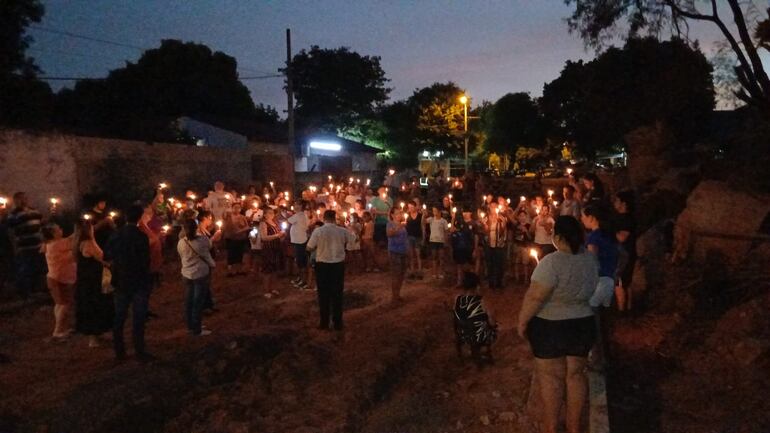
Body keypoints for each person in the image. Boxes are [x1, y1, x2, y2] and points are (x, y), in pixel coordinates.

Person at [517, 216, 598, 433]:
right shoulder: (590, 260)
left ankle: (551, 427)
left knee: (551, 377)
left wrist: (523, 322)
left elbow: (535, 297)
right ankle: (574, 427)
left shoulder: (551, 262)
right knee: (576, 374)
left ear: (559, 237)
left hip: (550, 327)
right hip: (582, 324)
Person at [105, 204, 153, 362]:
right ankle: (139, 351)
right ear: (139, 218)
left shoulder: (115, 235)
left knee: (119, 317)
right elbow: (146, 260)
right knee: (138, 318)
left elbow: (107, 256)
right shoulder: (141, 236)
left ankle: (120, 352)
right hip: (138, 280)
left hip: (121, 280)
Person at [306, 210, 356, 330]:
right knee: (337, 294)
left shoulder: (318, 231)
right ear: (335, 218)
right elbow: (353, 240)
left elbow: (309, 247)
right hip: (338, 265)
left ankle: (324, 323)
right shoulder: (342, 230)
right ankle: (338, 322)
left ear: (324, 218)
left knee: (323, 294)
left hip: (322, 265)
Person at [75, 220, 114, 348]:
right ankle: (94, 337)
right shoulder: (89, 243)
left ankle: (97, 333)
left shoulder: (77, 243)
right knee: (97, 305)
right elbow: (101, 257)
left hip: (84, 280)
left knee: (89, 305)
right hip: (93, 280)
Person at [178, 218, 216, 336]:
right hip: (200, 273)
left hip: (187, 274)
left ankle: (191, 325)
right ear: (197, 228)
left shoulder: (181, 242)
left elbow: (180, 254)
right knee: (198, 302)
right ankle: (197, 329)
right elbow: (209, 246)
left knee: (189, 300)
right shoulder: (203, 240)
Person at [6, 192, 45, 299]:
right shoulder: (13, 214)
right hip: (24, 247)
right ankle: (25, 293)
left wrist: (43, 241)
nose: (23, 200)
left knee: (37, 268)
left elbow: (41, 226)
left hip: (37, 245)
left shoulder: (35, 211)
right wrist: (15, 245)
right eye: (20, 199)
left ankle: (35, 290)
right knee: (25, 269)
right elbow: (10, 231)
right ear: (15, 201)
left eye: (24, 198)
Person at [41, 223, 77, 339]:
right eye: (58, 229)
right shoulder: (57, 244)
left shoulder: (51, 244)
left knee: (59, 304)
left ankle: (60, 328)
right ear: (53, 233)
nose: (61, 230)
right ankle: (57, 331)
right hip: (58, 279)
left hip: (55, 278)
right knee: (64, 304)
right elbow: (73, 240)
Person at [581, 204, 618, 309]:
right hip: (610, 278)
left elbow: (592, 261)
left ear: (591, 217)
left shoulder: (593, 237)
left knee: (592, 313)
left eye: (583, 216)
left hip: (599, 281)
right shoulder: (609, 234)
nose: (582, 219)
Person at [453, 271, 497, 348]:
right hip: (480, 337)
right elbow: (492, 321)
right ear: (477, 286)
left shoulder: (457, 299)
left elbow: (456, 315)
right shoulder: (482, 301)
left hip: (463, 335)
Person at [613, 191, 637, 311]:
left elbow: (622, 237)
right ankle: (628, 308)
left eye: (617, 201)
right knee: (626, 282)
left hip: (625, 254)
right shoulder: (621, 217)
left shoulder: (626, 219)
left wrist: (610, 232)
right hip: (626, 253)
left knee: (620, 283)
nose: (615, 203)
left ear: (624, 203)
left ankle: (622, 310)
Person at [259, 208, 286, 295]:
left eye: (272, 213)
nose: (271, 214)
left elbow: (280, 239)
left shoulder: (275, 223)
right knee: (267, 270)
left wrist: (282, 236)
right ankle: (266, 290)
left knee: (275, 270)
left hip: (276, 248)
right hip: (268, 249)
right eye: (269, 213)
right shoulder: (263, 223)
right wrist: (278, 235)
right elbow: (264, 237)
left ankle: (273, 288)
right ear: (265, 215)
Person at [484, 207, 512, 289]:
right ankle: (491, 283)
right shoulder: (487, 219)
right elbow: (485, 230)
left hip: (499, 245)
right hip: (489, 245)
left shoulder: (501, 219)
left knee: (499, 264)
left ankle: (499, 282)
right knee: (490, 264)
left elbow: (503, 229)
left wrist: (502, 221)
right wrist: (485, 225)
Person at [386, 207, 408, 304]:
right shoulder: (390, 224)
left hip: (403, 251)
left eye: (400, 213)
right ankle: (394, 296)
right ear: (392, 215)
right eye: (398, 213)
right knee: (396, 274)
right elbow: (389, 234)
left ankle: (398, 294)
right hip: (394, 252)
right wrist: (399, 227)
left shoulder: (402, 225)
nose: (400, 215)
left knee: (401, 274)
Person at [223, 202, 251, 277]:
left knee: (240, 254)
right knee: (231, 254)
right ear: (232, 208)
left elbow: (247, 227)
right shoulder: (228, 216)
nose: (237, 209)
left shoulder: (242, 217)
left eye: (238, 207)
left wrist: (240, 231)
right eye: (235, 207)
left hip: (240, 238)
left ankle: (239, 270)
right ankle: (231, 271)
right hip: (231, 238)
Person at [288, 201, 311, 289]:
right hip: (299, 241)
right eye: (294, 205)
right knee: (299, 261)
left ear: (301, 206)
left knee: (301, 262)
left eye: (297, 204)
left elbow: (288, 220)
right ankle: (300, 278)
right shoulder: (302, 215)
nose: (295, 206)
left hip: (300, 242)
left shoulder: (299, 215)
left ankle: (303, 280)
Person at [425, 206, 448, 279]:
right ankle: (434, 273)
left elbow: (446, 232)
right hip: (433, 241)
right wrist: (423, 215)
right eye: (433, 211)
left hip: (441, 241)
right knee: (434, 257)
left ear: (439, 212)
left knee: (441, 257)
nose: (434, 212)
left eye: (435, 211)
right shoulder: (431, 219)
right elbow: (423, 222)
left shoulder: (443, 221)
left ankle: (441, 273)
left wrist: (446, 241)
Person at [511, 210, 533, 284]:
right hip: (517, 245)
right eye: (520, 216)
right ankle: (517, 278)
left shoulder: (529, 225)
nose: (522, 217)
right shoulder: (516, 225)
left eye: (523, 216)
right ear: (518, 217)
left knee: (525, 263)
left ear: (526, 217)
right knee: (516, 262)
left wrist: (526, 231)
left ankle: (526, 278)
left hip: (525, 247)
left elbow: (530, 237)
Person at [405, 201, 424, 279]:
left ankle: (419, 271)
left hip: (417, 237)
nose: (410, 209)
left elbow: (422, 227)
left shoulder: (420, 216)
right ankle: (412, 271)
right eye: (409, 207)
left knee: (418, 255)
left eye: (412, 207)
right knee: (411, 255)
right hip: (409, 237)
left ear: (415, 207)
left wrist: (423, 237)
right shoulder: (407, 216)